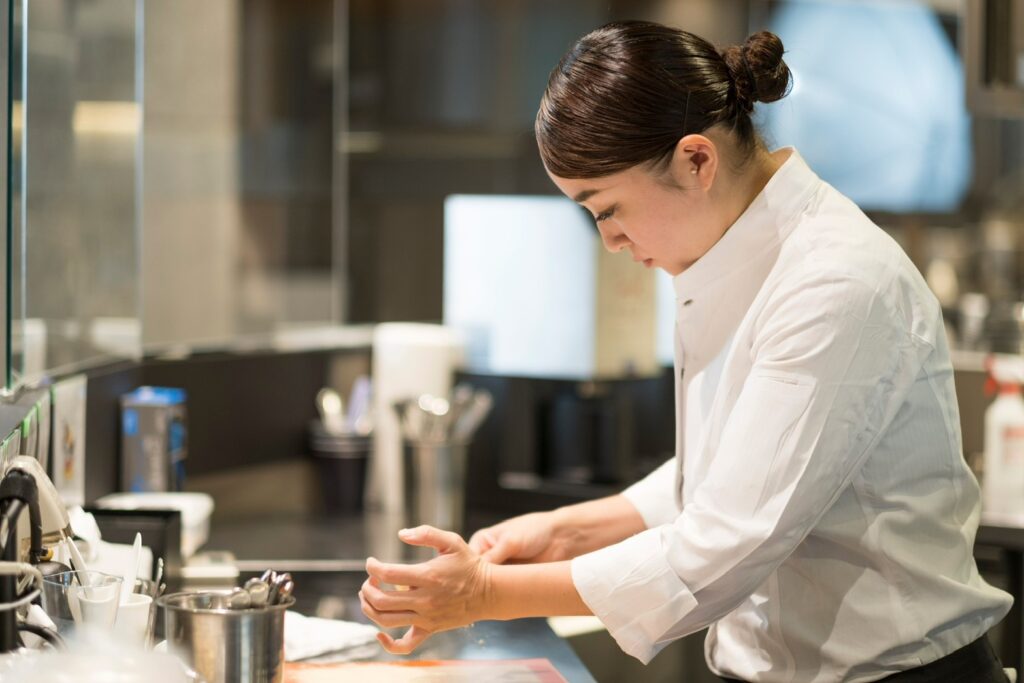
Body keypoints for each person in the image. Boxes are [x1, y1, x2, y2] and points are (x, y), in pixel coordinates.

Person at [360, 20, 1014, 682]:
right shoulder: (724, 249)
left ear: (696, 161)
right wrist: (567, 531)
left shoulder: (835, 280)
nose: (610, 241)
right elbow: (731, 467)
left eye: (606, 208)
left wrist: (483, 595)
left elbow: (724, 545)